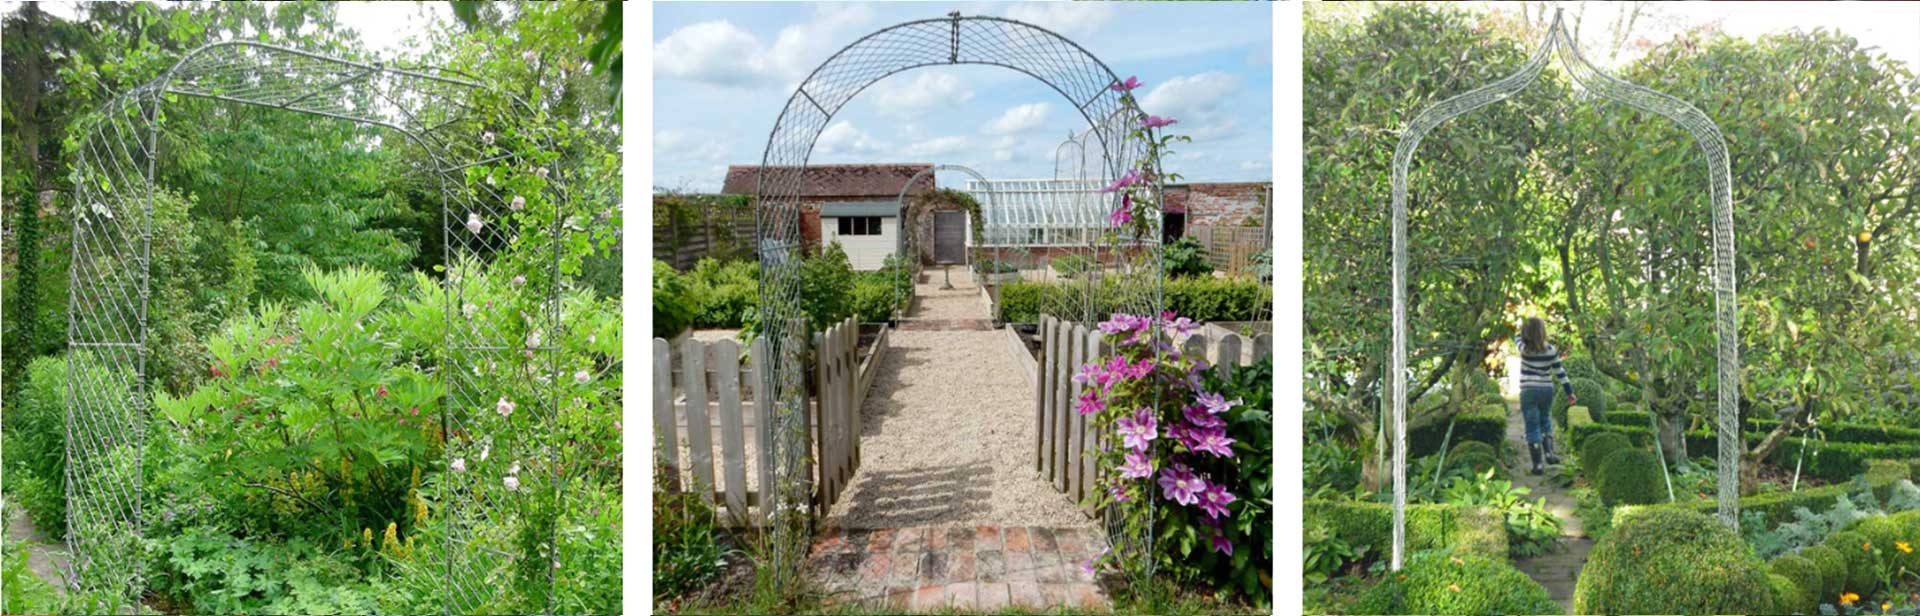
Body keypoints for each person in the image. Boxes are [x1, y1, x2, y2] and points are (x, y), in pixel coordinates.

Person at [1515, 317, 1575, 475]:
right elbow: (1560, 373)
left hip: (1528, 391)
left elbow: (1516, 337)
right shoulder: (1551, 350)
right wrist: (1570, 392)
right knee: (1545, 419)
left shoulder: (1523, 349)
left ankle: (1538, 464)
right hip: (1546, 390)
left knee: (1532, 424)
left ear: (1525, 333)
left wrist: (1520, 328)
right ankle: (1549, 453)